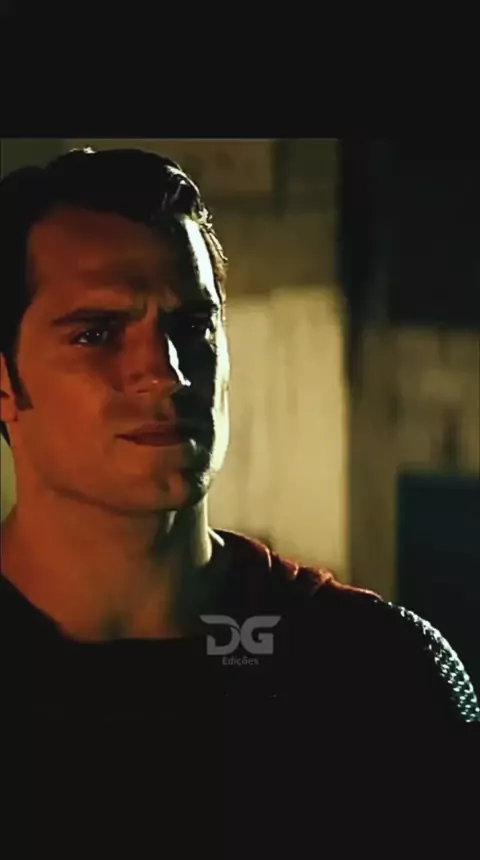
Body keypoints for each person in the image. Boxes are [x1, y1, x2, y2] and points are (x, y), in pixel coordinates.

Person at [0, 148, 478, 847]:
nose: (165, 372)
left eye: (192, 326)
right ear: (5, 382)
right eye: (97, 333)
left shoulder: (376, 675)